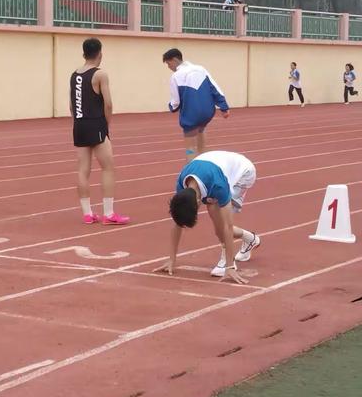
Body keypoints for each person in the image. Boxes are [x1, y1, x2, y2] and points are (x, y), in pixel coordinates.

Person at [153, 151, 260, 284]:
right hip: (214, 166)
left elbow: (227, 226)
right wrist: (171, 259)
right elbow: (177, 222)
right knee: (216, 220)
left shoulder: (218, 186)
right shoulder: (182, 184)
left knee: (220, 223)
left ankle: (227, 260)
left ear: (198, 202)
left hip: (243, 172)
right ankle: (250, 239)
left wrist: (230, 267)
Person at [70, 38, 129, 225]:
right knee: (108, 168)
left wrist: (77, 123)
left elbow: (72, 105)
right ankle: (109, 213)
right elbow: (108, 103)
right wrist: (106, 125)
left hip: (79, 125)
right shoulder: (100, 74)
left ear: (83, 53)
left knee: (82, 170)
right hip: (96, 124)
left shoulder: (74, 74)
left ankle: (87, 214)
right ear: (100, 54)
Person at [163, 48, 230, 162]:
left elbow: (176, 102)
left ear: (174, 60)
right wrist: (224, 107)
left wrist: (171, 107)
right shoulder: (201, 69)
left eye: (168, 64)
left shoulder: (176, 76)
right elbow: (215, 87)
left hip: (191, 113)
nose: (169, 67)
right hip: (208, 112)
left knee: (190, 145)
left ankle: (193, 171)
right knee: (201, 129)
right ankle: (203, 160)